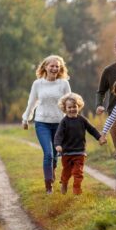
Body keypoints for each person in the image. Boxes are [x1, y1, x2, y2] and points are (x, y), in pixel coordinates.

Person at [22, 55, 71, 194]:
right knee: (48, 154)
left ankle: (52, 170)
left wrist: (72, 121)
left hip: (59, 124)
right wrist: (26, 119)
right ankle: (48, 185)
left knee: (55, 155)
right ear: (45, 67)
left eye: (57, 66)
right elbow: (32, 102)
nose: (55, 68)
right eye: (52, 66)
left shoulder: (63, 84)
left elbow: (70, 102)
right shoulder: (37, 84)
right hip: (42, 123)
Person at [54, 93, 106, 195]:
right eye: (69, 107)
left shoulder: (82, 120)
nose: (72, 109)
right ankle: (64, 183)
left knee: (78, 173)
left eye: (75, 107)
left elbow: (92, 129)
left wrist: (99, 137)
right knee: (67, 172)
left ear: (79, 107)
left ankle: (77, 190)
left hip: (79, 152)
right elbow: (58, 135)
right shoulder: (64, 122)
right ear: (65, 108)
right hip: (67, 153)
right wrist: (58, 145)